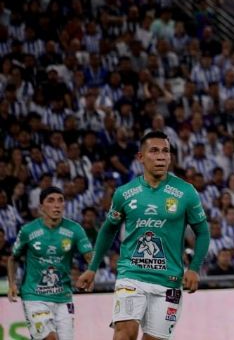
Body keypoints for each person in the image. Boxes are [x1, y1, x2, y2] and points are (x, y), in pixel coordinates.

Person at [76, 131, 211, 340]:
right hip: (132, 275)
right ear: (141, 157)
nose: (161, 156)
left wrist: (194, 268)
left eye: (165, 151)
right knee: (124, 333)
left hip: (169, 280)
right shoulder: (125, 193)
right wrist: (92, 267)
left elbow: (202, 232)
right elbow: (108, 229)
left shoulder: (186, 192)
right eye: (154, 151)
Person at [7, 187, 93, 340]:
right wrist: (12, 284)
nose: (57, 205)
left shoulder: (74, 229)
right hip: (35, 296)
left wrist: (91, 272)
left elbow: (89, 257)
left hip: (63, 297)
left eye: (60, 200)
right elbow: (13, 258)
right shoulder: (28, 230)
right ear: (41, 207)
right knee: (50, 338)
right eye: (51, 200)